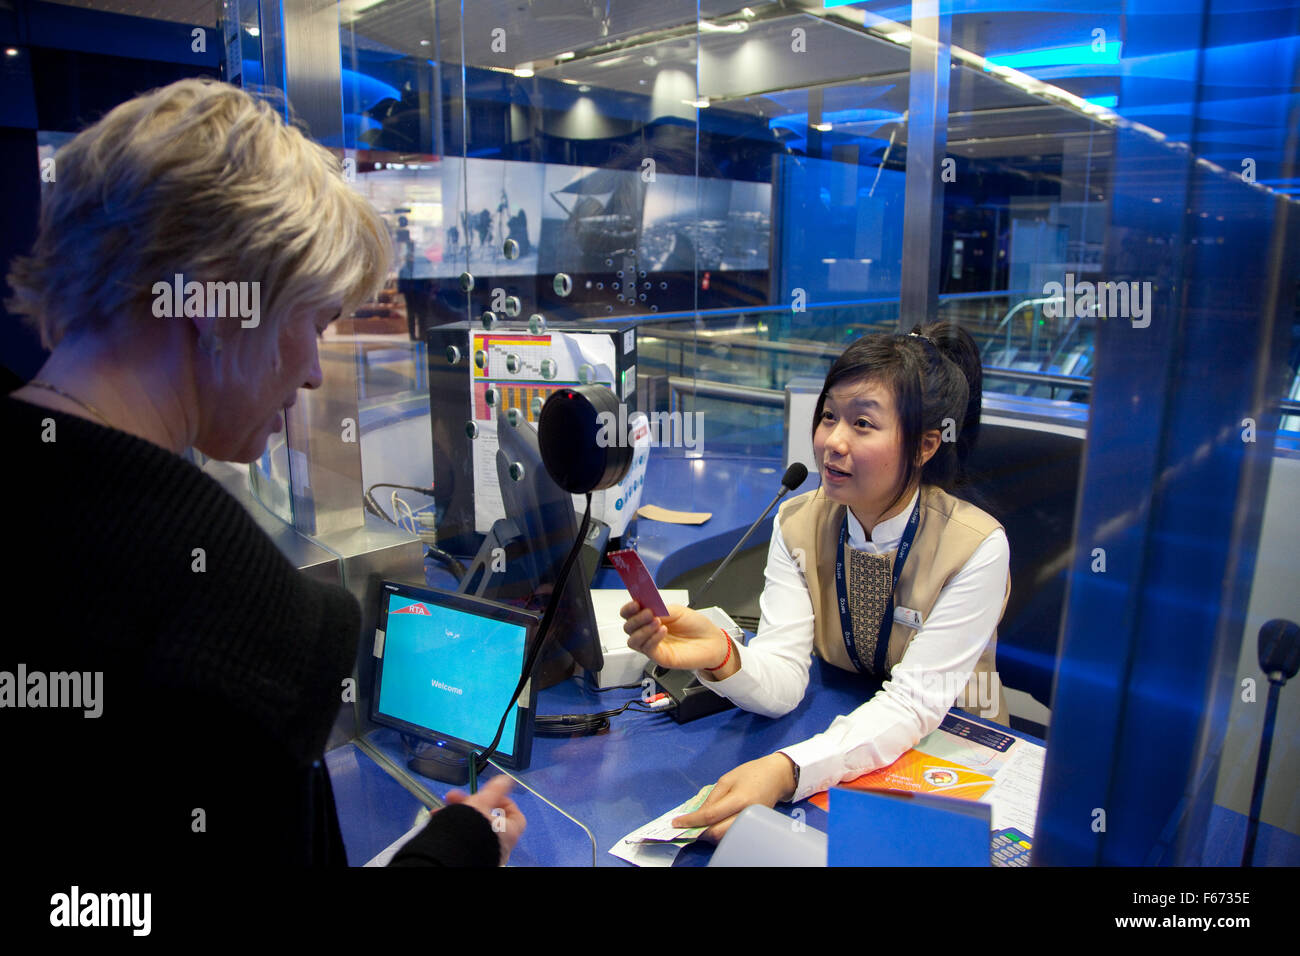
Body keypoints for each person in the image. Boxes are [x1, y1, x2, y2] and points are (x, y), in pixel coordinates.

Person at [3, 77, 522, 866]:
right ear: (217, 301)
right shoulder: (240, 616)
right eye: (311, 322)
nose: (314, 372)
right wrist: (454, 850)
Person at [622, 323, 1010, 841]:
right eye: (829, 416)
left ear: (924, 445)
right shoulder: (799, 522)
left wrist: (784, 771)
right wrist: (722, 655)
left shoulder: (977, 547)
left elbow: (915, 704)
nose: (834, 442)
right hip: (843, 738)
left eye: (863, 424)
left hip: (953, 752)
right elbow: (783, 676)